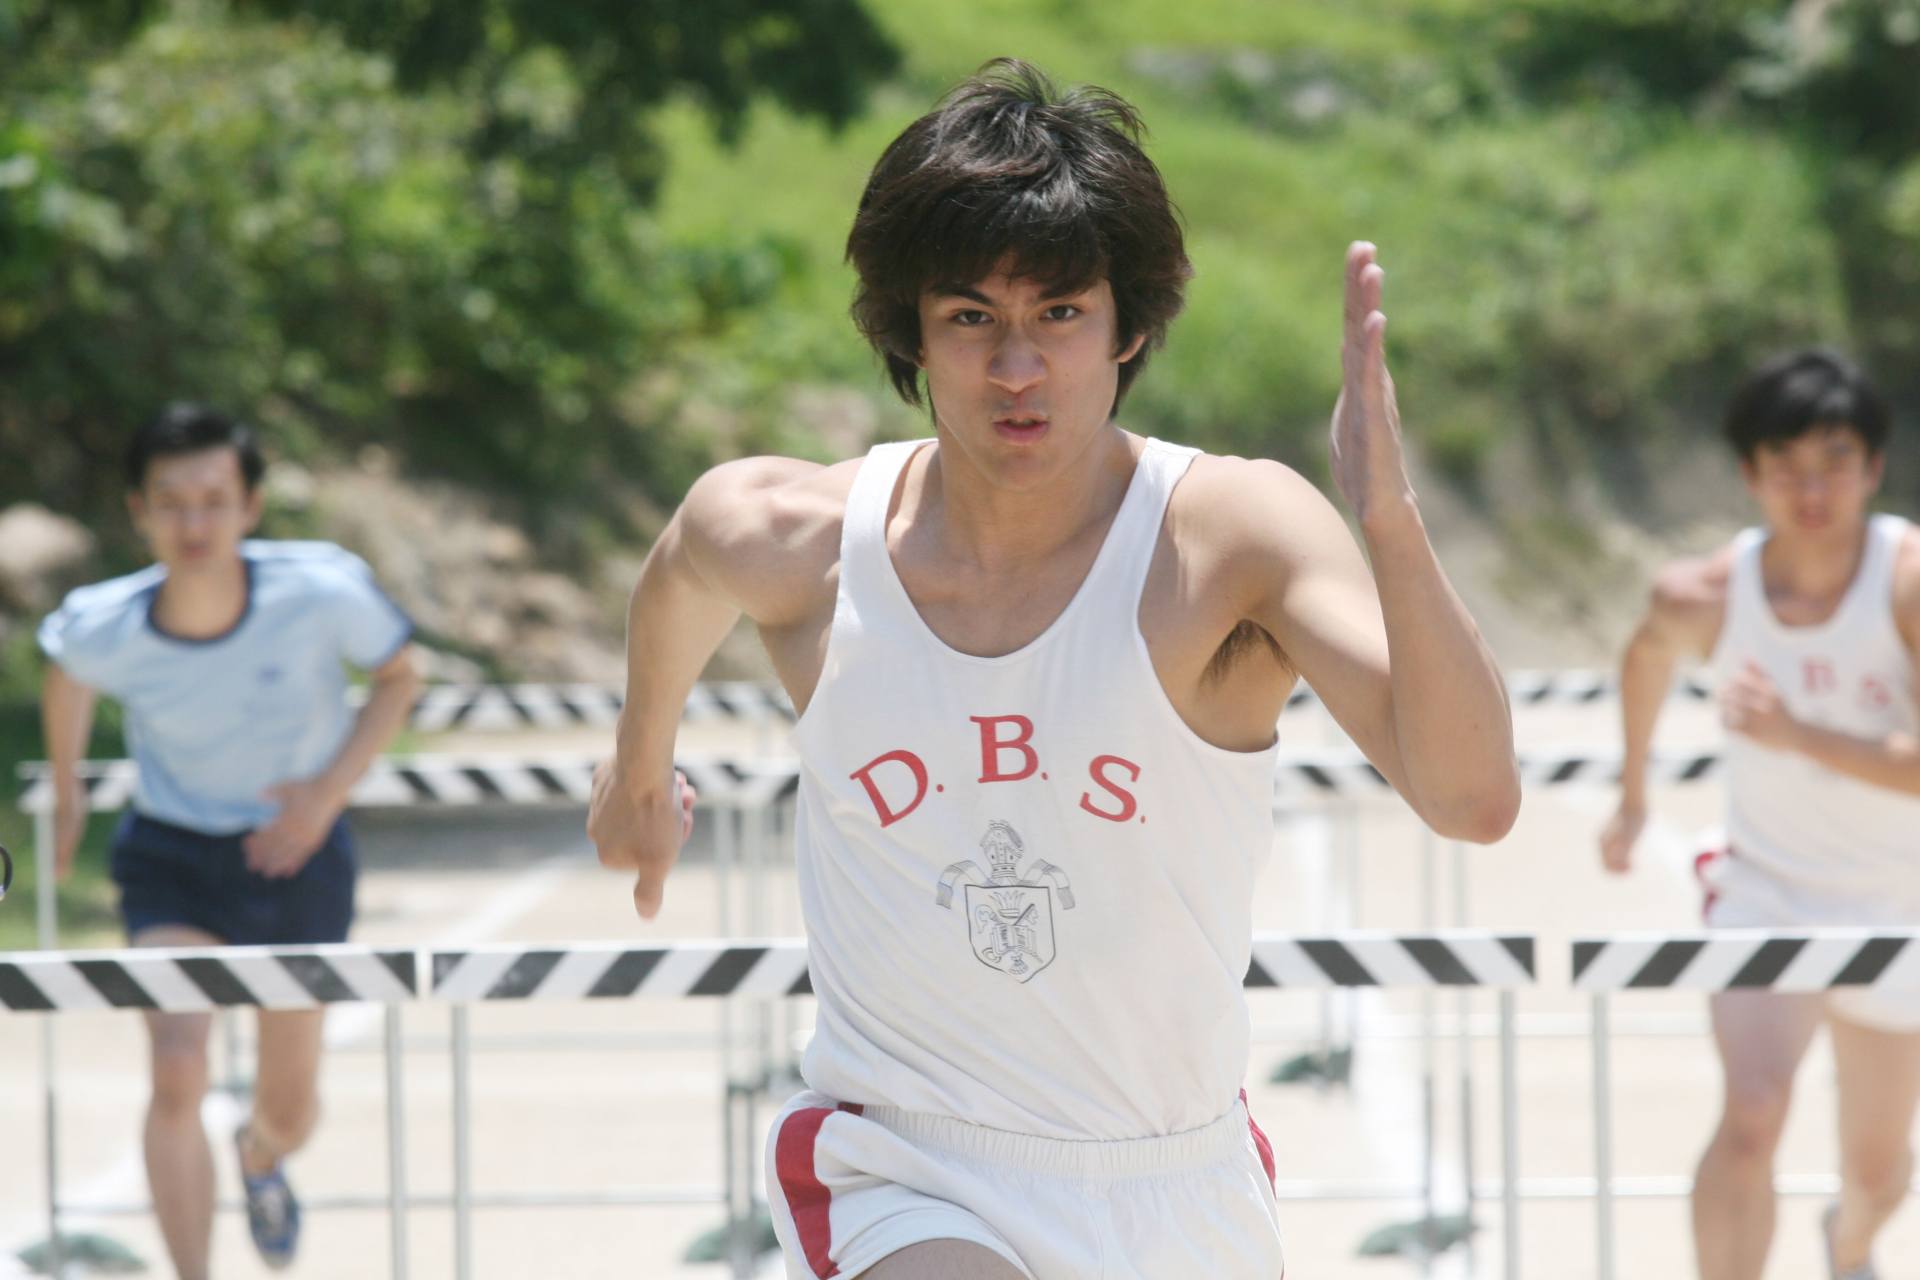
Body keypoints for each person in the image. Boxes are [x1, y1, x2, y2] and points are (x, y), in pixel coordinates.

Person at [589, 60, 1519, 1279]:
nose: (1016, 368)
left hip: (1178, 1178)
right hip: (907, 1162)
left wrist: (1389, 520)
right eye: (972, 318)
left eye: (1061, 314)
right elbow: (683, 562)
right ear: (912, 334)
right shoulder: (808, 544)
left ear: (1128, 326)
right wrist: (637, 776)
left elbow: (1471, 797)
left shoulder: (1223, 540)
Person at [38, 404, 420, 1280]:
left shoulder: (319, 590)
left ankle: (261, 1156)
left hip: (298, 856)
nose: (194, 523)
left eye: (214, 500)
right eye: (171, 502)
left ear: (250, 507)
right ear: (139, 511)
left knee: (291, 1108)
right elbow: (66, 676)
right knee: (177, 1064)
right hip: (171, 856)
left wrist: (323, 797)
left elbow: (400, 676)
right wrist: (65, 792)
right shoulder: (106, 621)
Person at [1601, 349, 1920, 1280]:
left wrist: (1795, 733)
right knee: (1752, 1114)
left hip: (1897, 904)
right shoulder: (1701, 594)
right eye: (1786, 464)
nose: (1811, 489)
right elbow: (1644, 658)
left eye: (1835, 460)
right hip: (1766, 891)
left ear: (1873, 466)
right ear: (1750, 473)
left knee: (1876, 1175)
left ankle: (1847, 1247)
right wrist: (1631, 798)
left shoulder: (1906, 584)